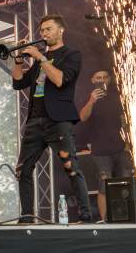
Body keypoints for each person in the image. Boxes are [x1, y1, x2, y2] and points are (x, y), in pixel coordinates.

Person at [11, 14, 92, 223]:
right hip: (34, 120)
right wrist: (18, 59)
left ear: (60, 30)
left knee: (70, 166)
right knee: (23, 169)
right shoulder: (41, 59)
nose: (44, 33)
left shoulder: (72, 55)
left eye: (48, 29)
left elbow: (60, 80)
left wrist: (40, 56)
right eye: (42, 30)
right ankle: (27, 216)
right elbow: (18, 83)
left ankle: (85, 214)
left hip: (58, 120)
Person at [79, 69, 133, 221]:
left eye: (104, 77)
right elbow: (82, 117)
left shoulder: (117, 97)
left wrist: (128, 143)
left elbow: (125, 120)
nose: (101, 80)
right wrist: (92, 100)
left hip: (120, 148)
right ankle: (104, 219)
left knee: (126, 182)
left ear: (109, 80)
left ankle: (128, 217)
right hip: (100, 151)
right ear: (92, 80)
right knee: (104, 185)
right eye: (98, 78)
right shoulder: (88, 97)